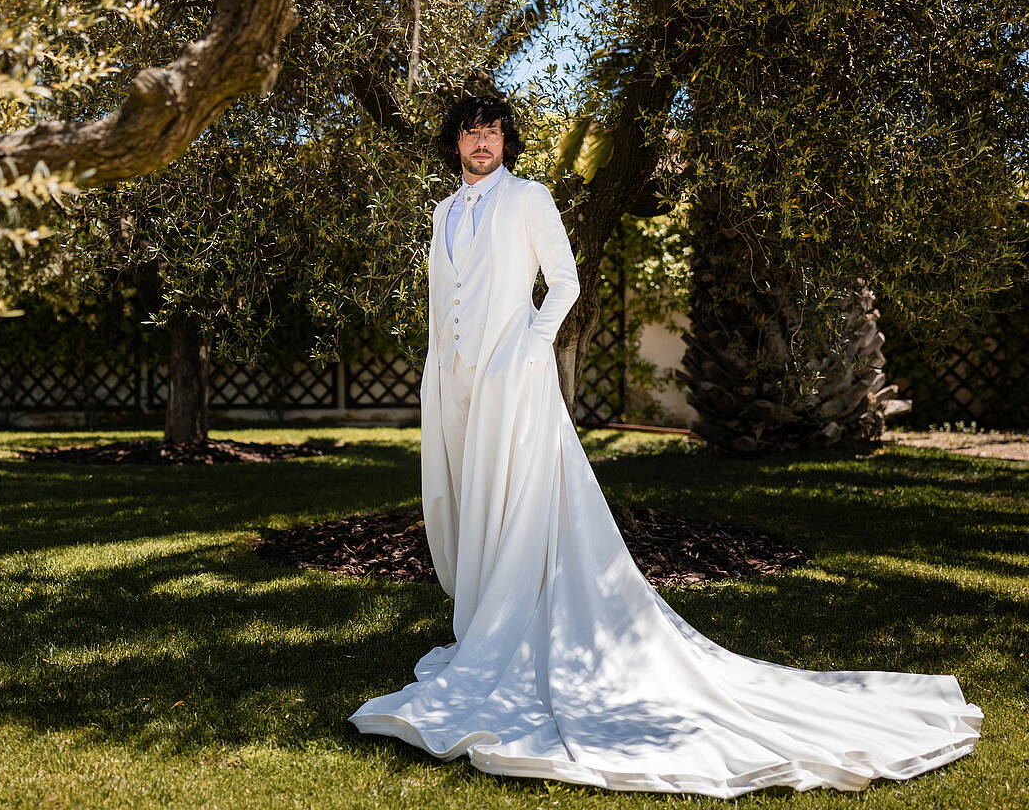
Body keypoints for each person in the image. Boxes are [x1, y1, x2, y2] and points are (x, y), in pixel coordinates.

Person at [346, 94, 983, 797]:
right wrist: (443, 371)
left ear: (507, 141)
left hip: (515, 381)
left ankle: (512, 630)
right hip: (458, 385)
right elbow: (445, 299)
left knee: (524, 501)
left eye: (493, 132)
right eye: (472, 132)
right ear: (455, 142)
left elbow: (564, 282)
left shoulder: (528, 198)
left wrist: (529, 347)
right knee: (471, 499)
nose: (482, 142)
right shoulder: (442, 213)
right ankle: (482, 625)